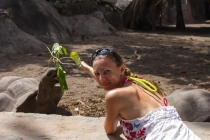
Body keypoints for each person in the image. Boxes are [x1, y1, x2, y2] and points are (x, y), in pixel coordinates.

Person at [79, 48, 201, 140]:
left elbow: (109, 129)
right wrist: (88, 69)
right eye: (97, 74)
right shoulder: (143, 83)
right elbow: (106, 80)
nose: (101, 79)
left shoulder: (114, 96)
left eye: (106, 72)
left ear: (121, 69)